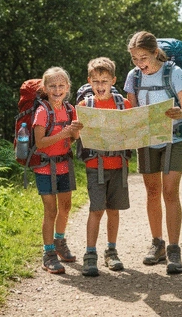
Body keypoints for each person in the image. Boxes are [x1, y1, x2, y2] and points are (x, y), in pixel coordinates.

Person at [123, 31, 182, 274]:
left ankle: (174, 249)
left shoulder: (174, 72)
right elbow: (132, 110)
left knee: (170, 191)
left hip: (175, 138)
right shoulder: (133, 77)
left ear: (155, 53)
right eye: (134, 59)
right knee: (152, 192)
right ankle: (157, 245)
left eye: (143, 57)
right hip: (147, 139)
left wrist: (179, 113)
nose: (139, 64)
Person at [78, 57, 132, 277]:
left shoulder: (124, 105)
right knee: (96, 209)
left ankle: (111, 251)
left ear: (113, 81)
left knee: (114, 210)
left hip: (119, 165)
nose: (100, 86)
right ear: (90, 81)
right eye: (96, 81)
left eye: (105, 81)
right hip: (95, 166)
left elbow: (132, 132)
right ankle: (90, 255)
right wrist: (74, 128)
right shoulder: (84, 106)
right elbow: (76, 135)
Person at [33, 66, 83, 274]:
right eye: (52, 85)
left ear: (68, 87)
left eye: (61, 85)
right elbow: (40, 143)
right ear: (45, 88)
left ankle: (60, 242)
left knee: (66, 206)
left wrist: (76, 132)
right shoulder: (42, 111)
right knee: (50, 210)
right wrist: (65, 133)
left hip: (64, 165)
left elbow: (75, 138)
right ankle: (48, 252)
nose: (57, 89)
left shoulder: (70, 109)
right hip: (44, 166)